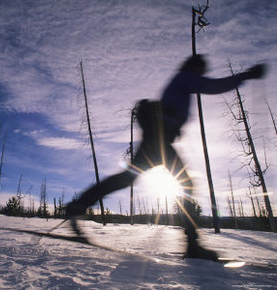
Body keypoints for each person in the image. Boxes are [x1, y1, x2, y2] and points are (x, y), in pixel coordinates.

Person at [66, 54, 267, 260]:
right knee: (184, 184)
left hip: (158, 139)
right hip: (158, 140)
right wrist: (246, 75)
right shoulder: (185, 77)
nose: (202, 73)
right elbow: (213, 87)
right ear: (195, 67)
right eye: (201, 69)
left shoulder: (180, 80)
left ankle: (78, 206)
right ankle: (192, 245)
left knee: (128, 179)